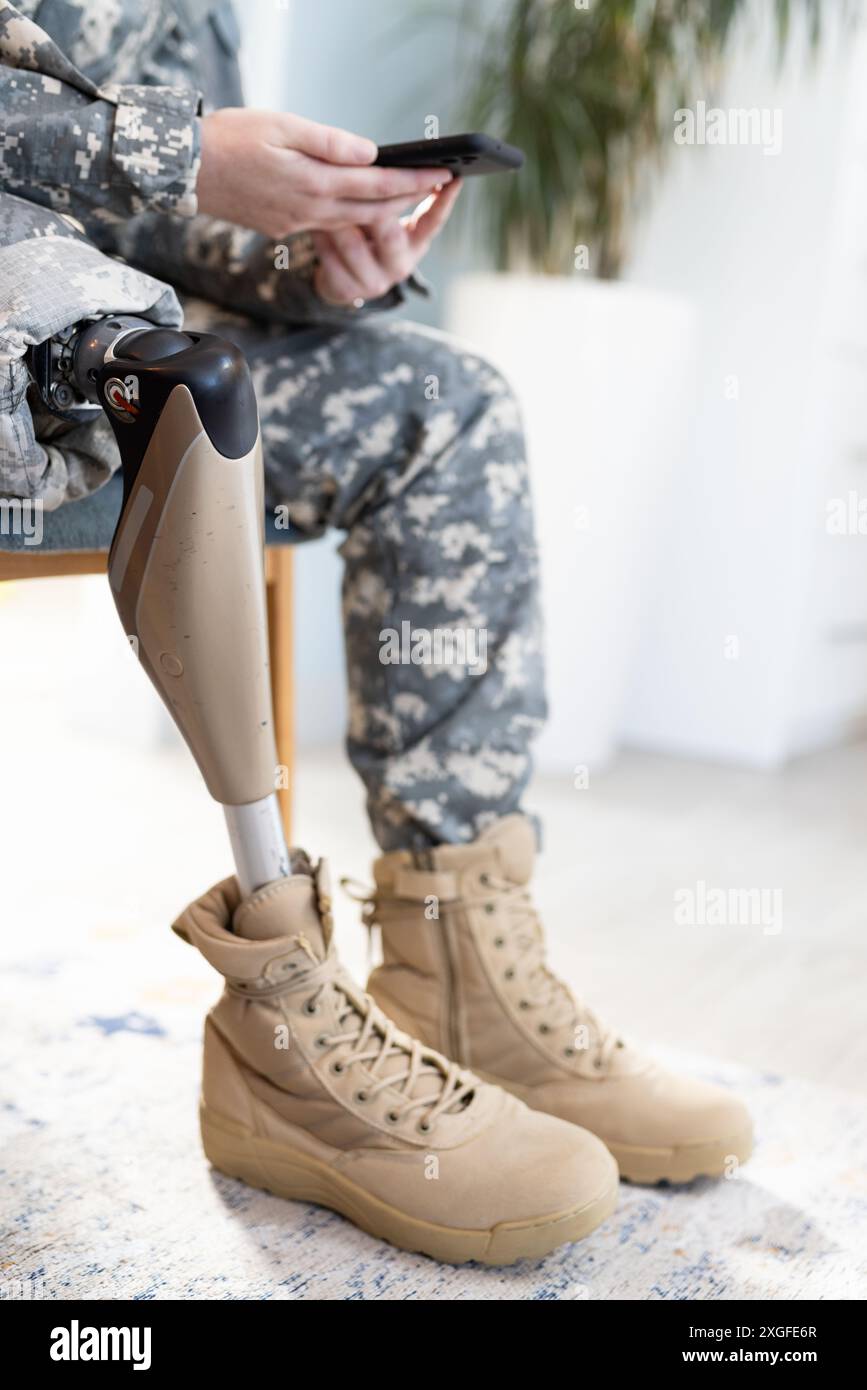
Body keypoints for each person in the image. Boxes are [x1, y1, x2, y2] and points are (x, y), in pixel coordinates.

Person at [1, 0, 751, 1264]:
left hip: (114, 347)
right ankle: (281, 1013)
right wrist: (186, 148)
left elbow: (148, 219)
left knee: (445, 406)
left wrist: (307, 254)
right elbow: (149, 156)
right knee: (193, 390)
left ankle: (461, 968)